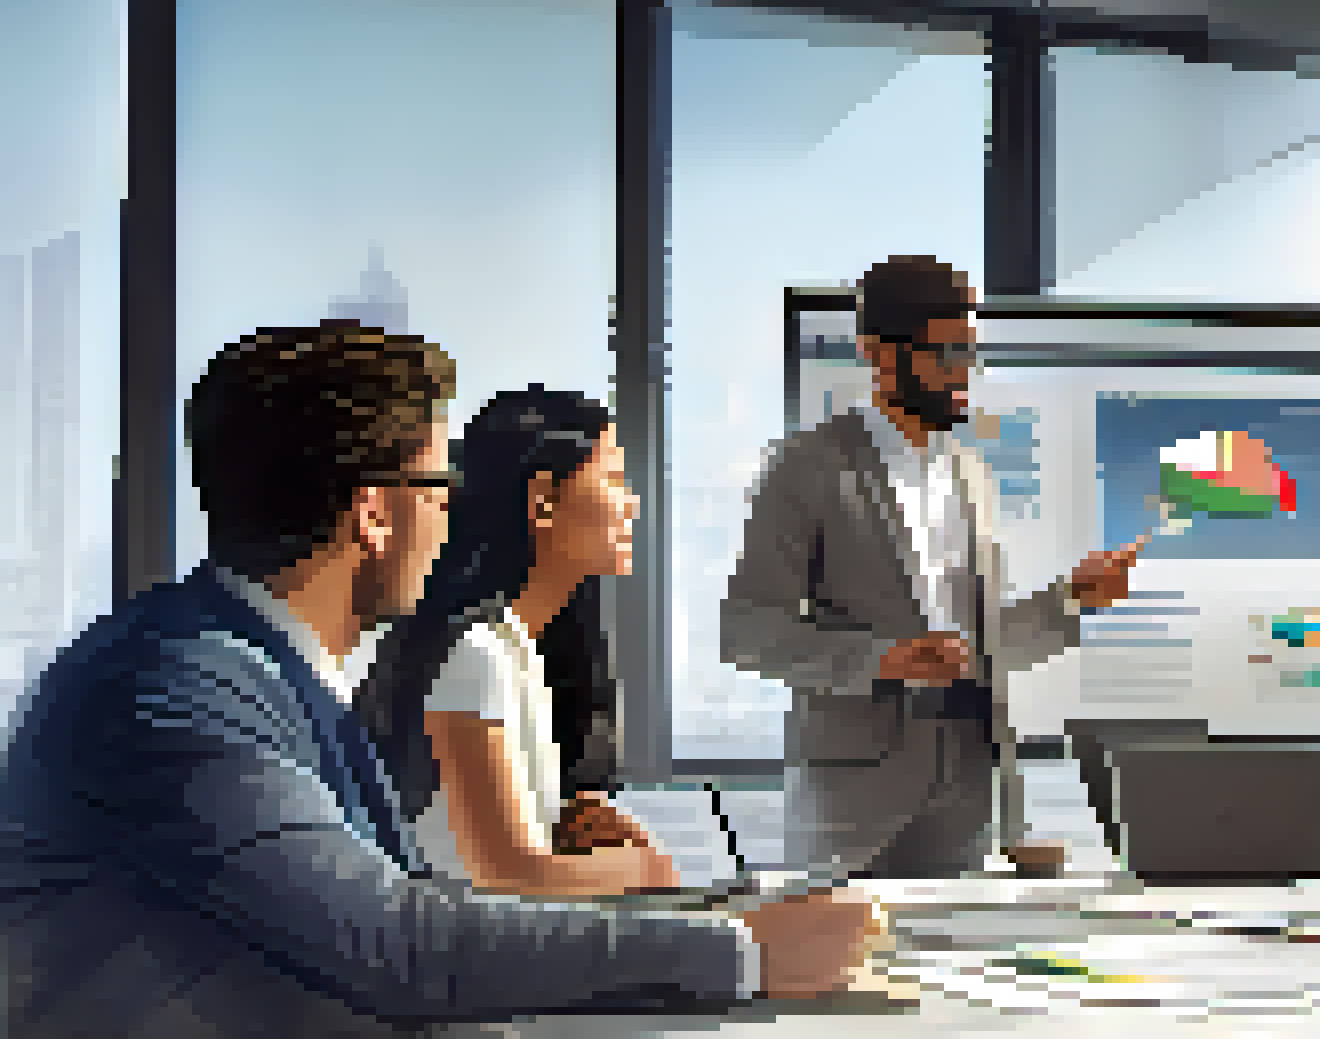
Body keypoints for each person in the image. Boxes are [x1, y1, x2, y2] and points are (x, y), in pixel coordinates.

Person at [0, 323, 880, 1037]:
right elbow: (397, 945)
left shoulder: (268, 671)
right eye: (439, 484)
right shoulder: (175, 686)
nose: (452, 513)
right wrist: (739, 952)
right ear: (374, 515)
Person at [722, 256, 1142, 879]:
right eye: (945, 352)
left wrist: (1071, 601)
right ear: (879, 355)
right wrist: (882, 659)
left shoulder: (970, 473)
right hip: (854, 801)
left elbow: (977, 647)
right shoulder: (806, 465)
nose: (964, 372)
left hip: (969, 789)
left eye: (971, 352)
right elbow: (749, 631)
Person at [354, 386, 679, 897]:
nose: (631, 505)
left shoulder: (513, 648)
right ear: (542, 500)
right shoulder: (474, 655)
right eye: (613, 479)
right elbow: (512, 876)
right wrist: (645, 870)